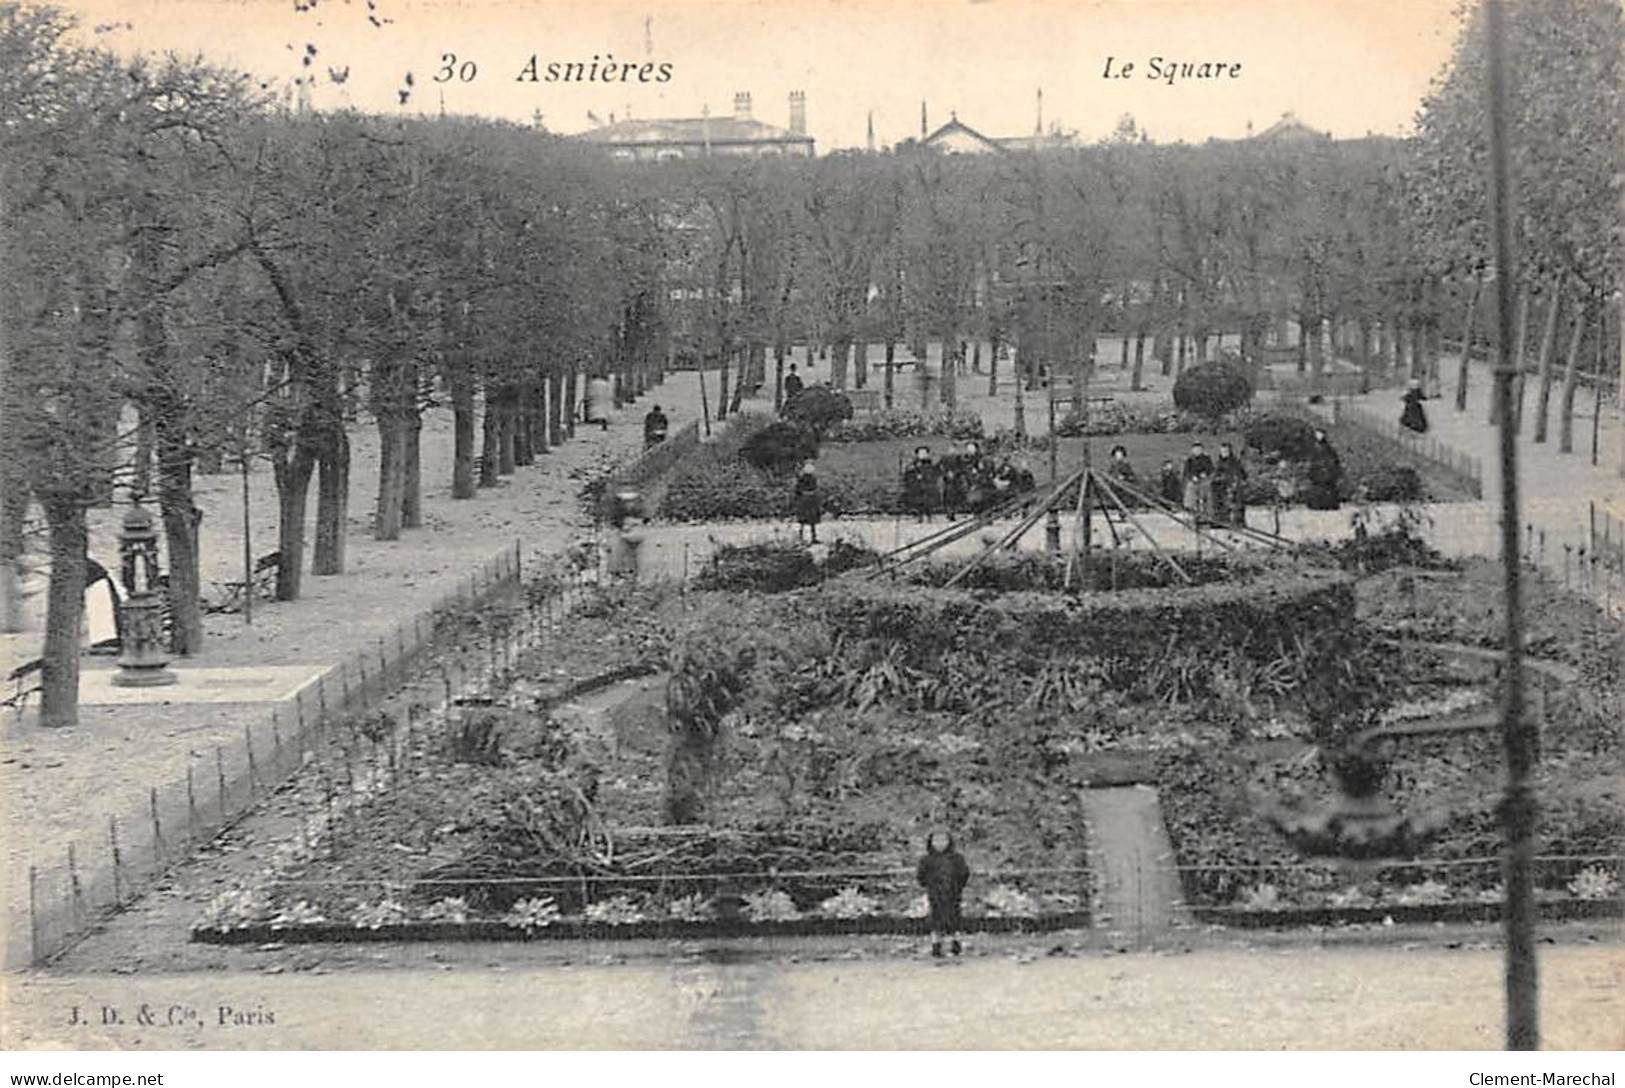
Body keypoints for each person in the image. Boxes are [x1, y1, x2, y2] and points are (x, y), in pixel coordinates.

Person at [916, 831, 971, 959]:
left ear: (949, 841)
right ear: (931, 842)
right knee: (936, 919)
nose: (940, 844)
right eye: (936, 841)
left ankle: (956, 944)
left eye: (943, 840)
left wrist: (957, 886)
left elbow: (964, 874)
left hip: (953, 893)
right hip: (935, 894)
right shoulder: (927, 859)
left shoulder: (957, 858)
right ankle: (936, 945)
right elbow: (921, 876)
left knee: (954, 918)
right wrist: (929, 885)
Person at [1305, 428, 1344, 511]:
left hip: (1326, 472)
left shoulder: (1328, 448)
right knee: (1319, 488)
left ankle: (1328, 504)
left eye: (1320, 434)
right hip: (1318, 472)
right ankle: (1318, 504)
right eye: (1317, 434)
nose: (1318, 436)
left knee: (1327, 488)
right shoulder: (1313, 447)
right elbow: (1311, 460)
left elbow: (1332, 460)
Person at [1212, 441, 1248, 527]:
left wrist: (1234, 482)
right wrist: (1218, 479)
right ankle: (1220, 519)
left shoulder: (1235, 463)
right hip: (1221, 486)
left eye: (1226, 452)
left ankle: (1238, 520)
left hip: (1233, 486)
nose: (1224, 454)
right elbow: (1216, 474)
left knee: (1234, 496)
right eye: (1222, 452)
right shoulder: (1219, 463)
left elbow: (1241, 475)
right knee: (1216, 494)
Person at [902, 446, 941, 522]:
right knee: (919, 500)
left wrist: (929, 477)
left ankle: (929, 515)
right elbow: (908, 474)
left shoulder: (929, 464)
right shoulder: (913, 465)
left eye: (924, 453)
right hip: (918, 486)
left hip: (928, 485)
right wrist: (915, 476)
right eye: (920, 453)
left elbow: (934, 473)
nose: (922, 455)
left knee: (928, 500)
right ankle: (920, 516)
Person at [1183, 441, 1215, 522]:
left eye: (1199, 449)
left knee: (1206, 489)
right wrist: (1192, 477)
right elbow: (1186, 472)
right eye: (1195, 449)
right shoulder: (1189, 460)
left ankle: (1206, 513)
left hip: (1203, 480)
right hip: (1194, 481)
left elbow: (1211, 469)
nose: (1197, 451)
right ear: (1192, 450)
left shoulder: (1206, 459)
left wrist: (1205, 474)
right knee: (1190, 488)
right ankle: (1191, 511)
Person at [793, 461, 822, 543]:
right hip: (811, 500)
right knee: (812, 520)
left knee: (803, 520)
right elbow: (815, 489)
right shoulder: (813, 479)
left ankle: (801, 538)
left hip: (804, 500)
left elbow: (797, 491)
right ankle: (813, 537)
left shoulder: (801, 479)